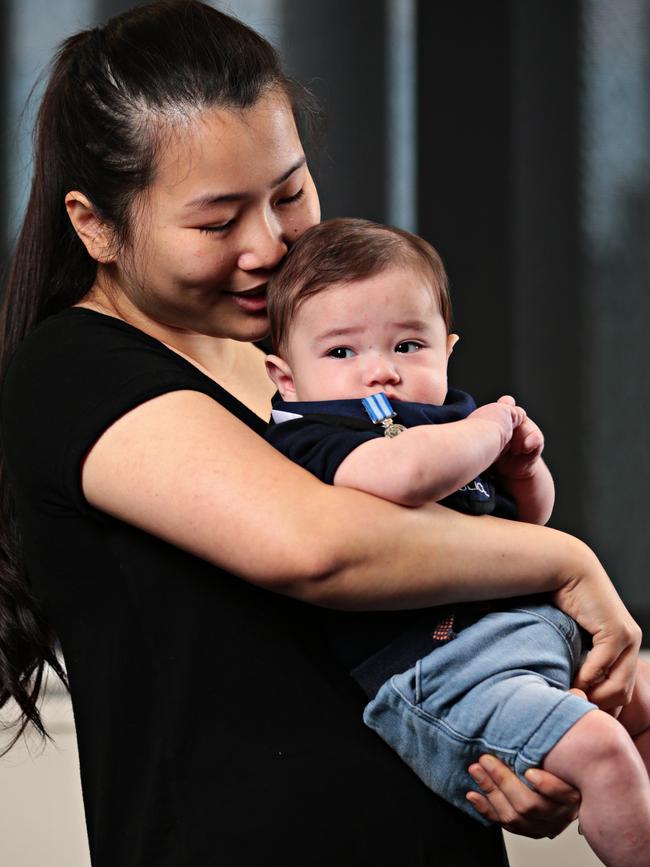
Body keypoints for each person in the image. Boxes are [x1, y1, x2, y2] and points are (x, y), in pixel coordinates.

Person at [0, 2, 642, 865]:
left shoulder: (296, 362)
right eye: (218, 221)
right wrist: (571, 563)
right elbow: (321, 548)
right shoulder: (77, 369)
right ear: (95, 225)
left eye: (290, 191)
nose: (270, 244)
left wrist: (507, 745)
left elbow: (396, 629)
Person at [263, 217, 650, 867]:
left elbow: (522, 525)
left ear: (448, 347)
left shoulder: (452, 418)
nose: (379, 373)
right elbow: (407, 473)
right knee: (602, 752)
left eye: (408, 346)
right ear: (286, 377)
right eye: (341, 353)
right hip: (442, 667)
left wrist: (524, 469)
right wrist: (491, 428)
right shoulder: (315, 435)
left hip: (529, 629)